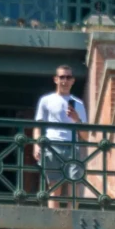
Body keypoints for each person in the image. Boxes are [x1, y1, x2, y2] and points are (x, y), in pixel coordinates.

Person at [33, 64, 89, 208]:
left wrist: (77, 119)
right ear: (55, 79)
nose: (65, 80)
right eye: (62, 77)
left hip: (73, 146)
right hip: (52, 145)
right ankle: (54, 222)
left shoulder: (78, 104)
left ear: (73, 81)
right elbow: (39, 126)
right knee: (54, 187)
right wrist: (36, 144)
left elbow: (85, 135)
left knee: (75, 186)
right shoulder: (46, 100)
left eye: (68, 77)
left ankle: (73, 223)